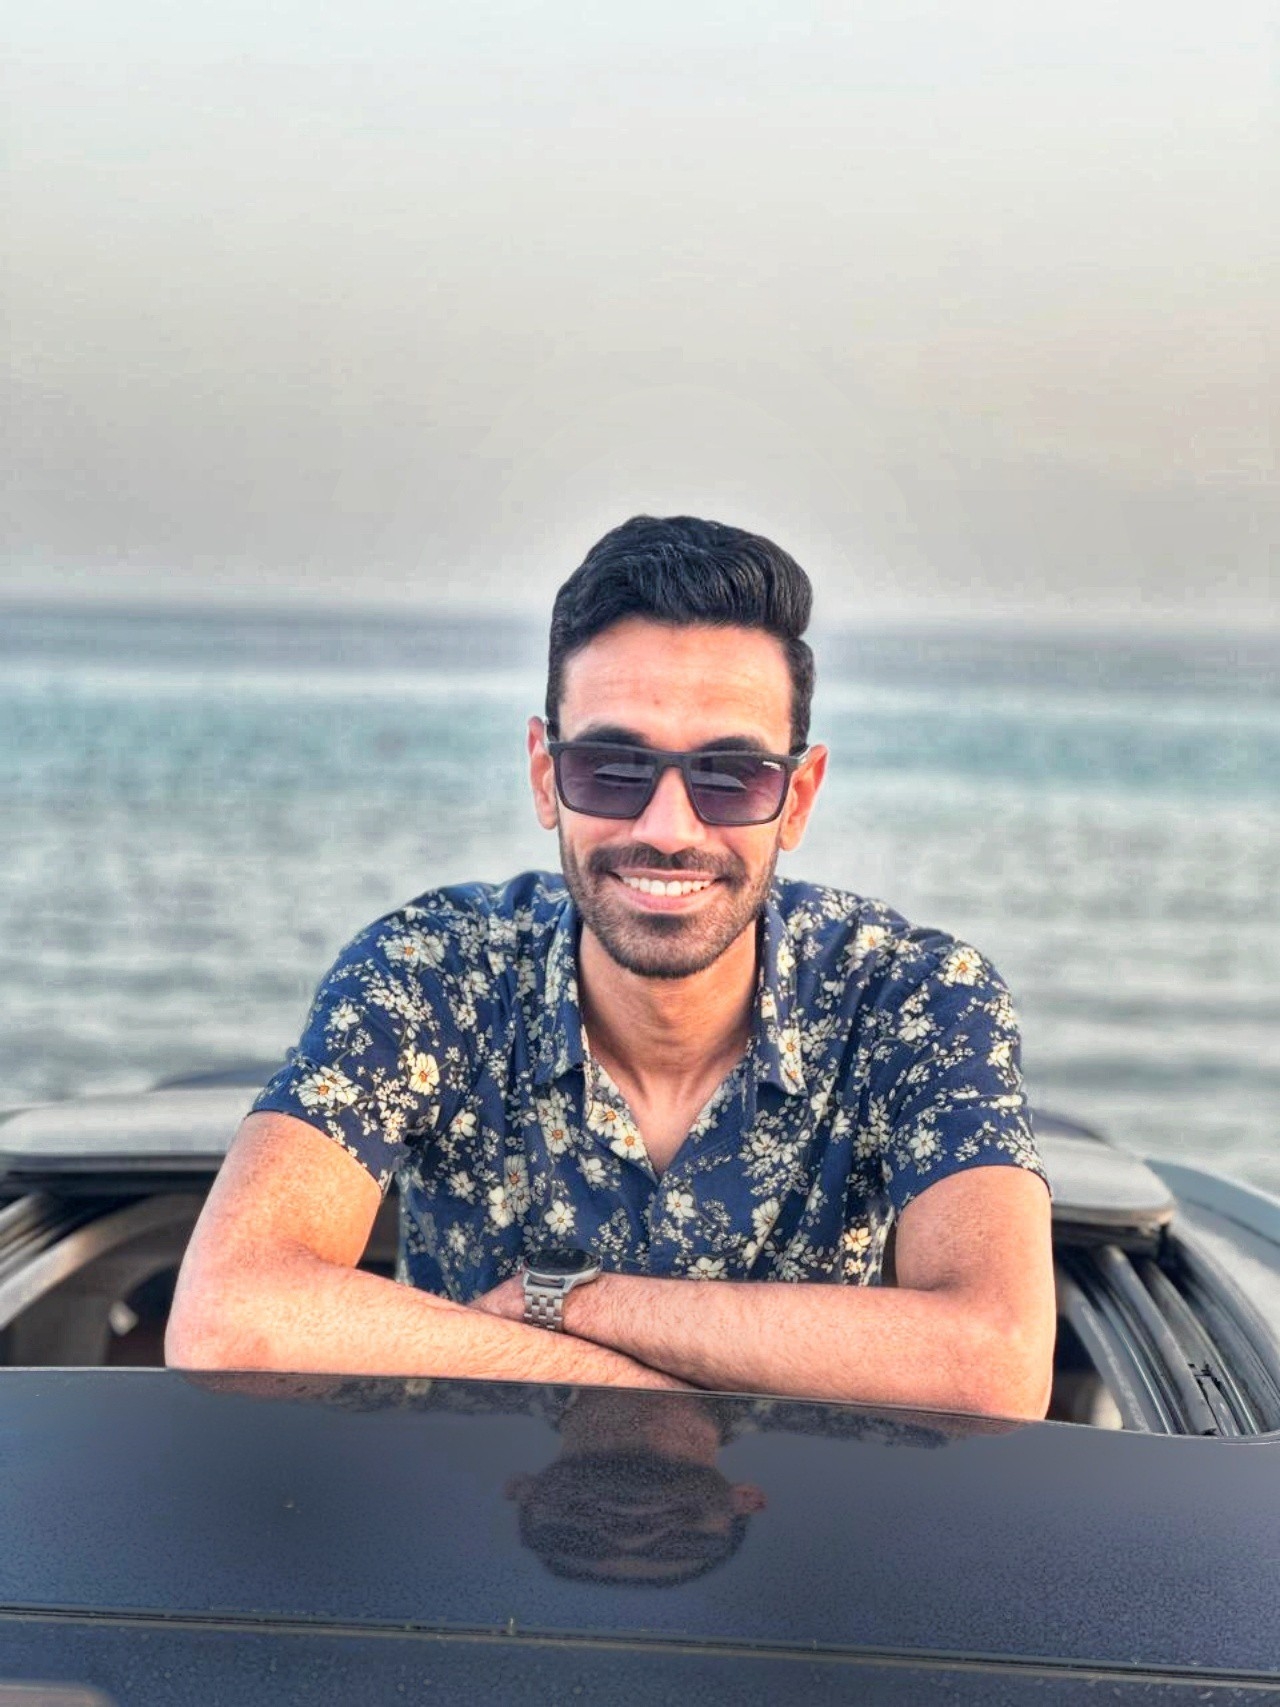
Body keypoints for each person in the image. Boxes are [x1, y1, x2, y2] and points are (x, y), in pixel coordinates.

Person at [167, 515, 1056, 1416]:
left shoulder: (910, 999)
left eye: (732, 774)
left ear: (797, 798)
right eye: (612, 766)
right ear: (545, 776)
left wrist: (569, 1302)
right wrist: (660, 1402)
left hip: (798, 1516)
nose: (668, 828)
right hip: (459, 1506)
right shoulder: (432, 973)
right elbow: (230, 1313)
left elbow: (996, 1362)